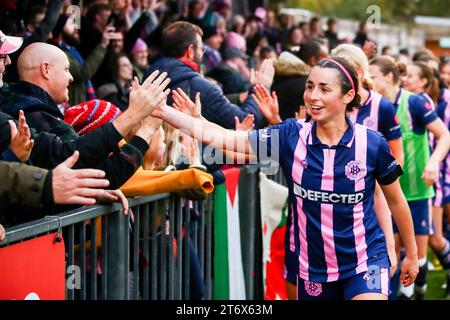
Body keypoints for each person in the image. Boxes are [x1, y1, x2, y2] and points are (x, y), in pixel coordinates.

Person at [150, 56, 419, 300]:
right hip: (313, 264)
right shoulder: (290, 136)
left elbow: (396, 201)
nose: (313, 96)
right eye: (310, 86)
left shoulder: (372, 144)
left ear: (349, 95)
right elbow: (224, 138)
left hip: (365, 259)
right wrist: (163, 111)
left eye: (325, 89)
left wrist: (412, 254)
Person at [0, 42, 171, 189]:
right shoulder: (29, 116)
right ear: (46, 70)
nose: (72, 77)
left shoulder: (23, 108)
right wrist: (138, 122)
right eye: (67, 69)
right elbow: (97, 176)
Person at [370, 56, 450, 300]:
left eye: (372, 77)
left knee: (418, 255)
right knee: (391, 251)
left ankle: (418, 292)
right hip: (386, 194)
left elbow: (445, 135)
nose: (368, 81)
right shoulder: (374, 106)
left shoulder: (413, 103)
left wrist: (434, 162)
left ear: (388, 77)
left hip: (416, 192)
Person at [332, 44, 404, 284]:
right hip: (331, 205)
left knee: (375, 268)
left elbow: (396, 156)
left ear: (360, 72)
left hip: (373, 199)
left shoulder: (381, 106)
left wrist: (380, 182)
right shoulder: (328, 105)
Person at [144, 21, 274, 129]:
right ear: (190, 50)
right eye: (201, 48)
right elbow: (244, 122)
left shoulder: (148, 77)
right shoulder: (201, 87)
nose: (203, 53)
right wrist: (260, 89)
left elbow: (211, 103)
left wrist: (239, 97)